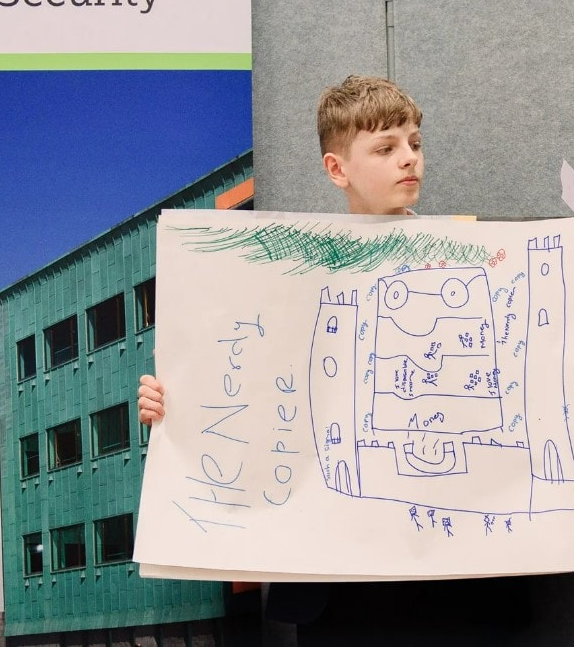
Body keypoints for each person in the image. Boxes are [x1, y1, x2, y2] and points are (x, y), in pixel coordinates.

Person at [138, 75, 530, 644]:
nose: (409, 160)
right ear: (336, 169)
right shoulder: (282, 279)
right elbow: (243, 386)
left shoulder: (479, 267)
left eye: (415, 143)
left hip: (452, 576)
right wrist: (171, 403)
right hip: (339, 590)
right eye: (386, 147)